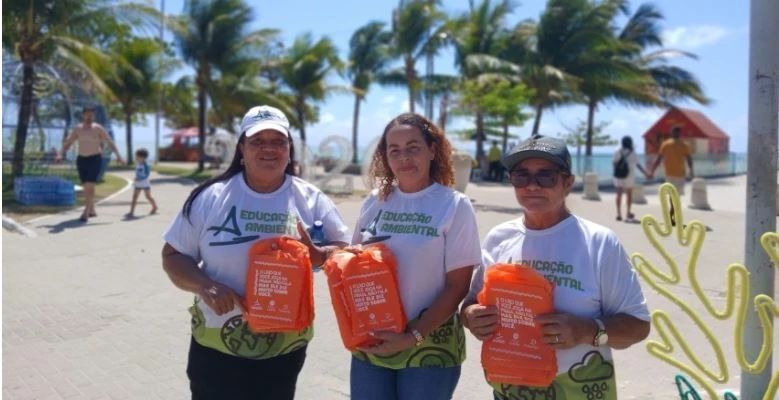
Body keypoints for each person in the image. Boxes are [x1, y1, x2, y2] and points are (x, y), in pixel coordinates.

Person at [161, 105, 352, 400]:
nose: (268, 149)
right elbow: (173, 256)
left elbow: (347, 253)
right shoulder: (210, 197)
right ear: (242, 149)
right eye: (257, 141)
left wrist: (319, 255)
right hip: (216, 345)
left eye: (278, 141)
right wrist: (206, 286)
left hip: (283, 348)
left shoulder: (311, 199)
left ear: (290, 148)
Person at [461, 135, 651, 400]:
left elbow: (638, 326)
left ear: (568, 183)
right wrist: (471, 317)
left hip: (580, 387)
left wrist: (587, 331)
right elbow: (469, 304)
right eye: (521, 176)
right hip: (510, 387)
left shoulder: (598, 242)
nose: (532, 186)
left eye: (546, 176)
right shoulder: (498, 238)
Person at [349, 113, 482, 400]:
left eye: (413, 147)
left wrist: (413, 336)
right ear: (385, 157)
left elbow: (457, 286)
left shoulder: (454, 205)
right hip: (375, 341)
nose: (404, 157)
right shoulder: (374, 202)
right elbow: (354, 267)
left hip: (430, 347)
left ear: (432, 150)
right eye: (394, 150)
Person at [60, 105, 124, 222]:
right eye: (87, 114)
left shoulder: (98, 129)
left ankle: (86, 212)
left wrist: (119, 156)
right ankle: (92, 209)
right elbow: (68, 142)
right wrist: (60, 153)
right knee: (86, 186)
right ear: (83, 115)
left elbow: (110, 142)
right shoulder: (78, 129)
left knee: (90, 185)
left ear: (94, 116)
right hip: (81, 159)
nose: (89, 117)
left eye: (92, 115)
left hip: (95, 159)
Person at [649, 126, 693, 225]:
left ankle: (672, 215)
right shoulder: (683, 145)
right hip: (679, 175)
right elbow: (689, 159)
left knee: (672, 196)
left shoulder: (666, 144)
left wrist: (652, 171)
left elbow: (658, 159)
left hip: (670, 174)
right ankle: (672, 215)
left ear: (672, 133)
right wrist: (691, 171)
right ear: (679, 133)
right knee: (676, 196)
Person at [612, 136, 651, 221]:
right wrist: (646, 174)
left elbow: (614, 164)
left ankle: (618, 214)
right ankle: (628, 213)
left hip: (618, 176)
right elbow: (638, 165)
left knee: (618, 194)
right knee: (629, 195)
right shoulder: (632, 152)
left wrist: (618, 171)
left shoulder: (617, 151)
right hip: (629, 176)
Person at [125, 148, 158, 218]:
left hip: (145, 183)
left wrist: (139, 178)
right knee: (134, 197)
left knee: (148, 196)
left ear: (143, 157)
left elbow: (147, 174)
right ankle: (131, 212)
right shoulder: (138, 164)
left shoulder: (146, 165)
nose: (136, 157)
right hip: (138, 183)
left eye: (137, 156)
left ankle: (154, 207)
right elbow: (138, 172)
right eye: (136, 156)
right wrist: (136, 178)